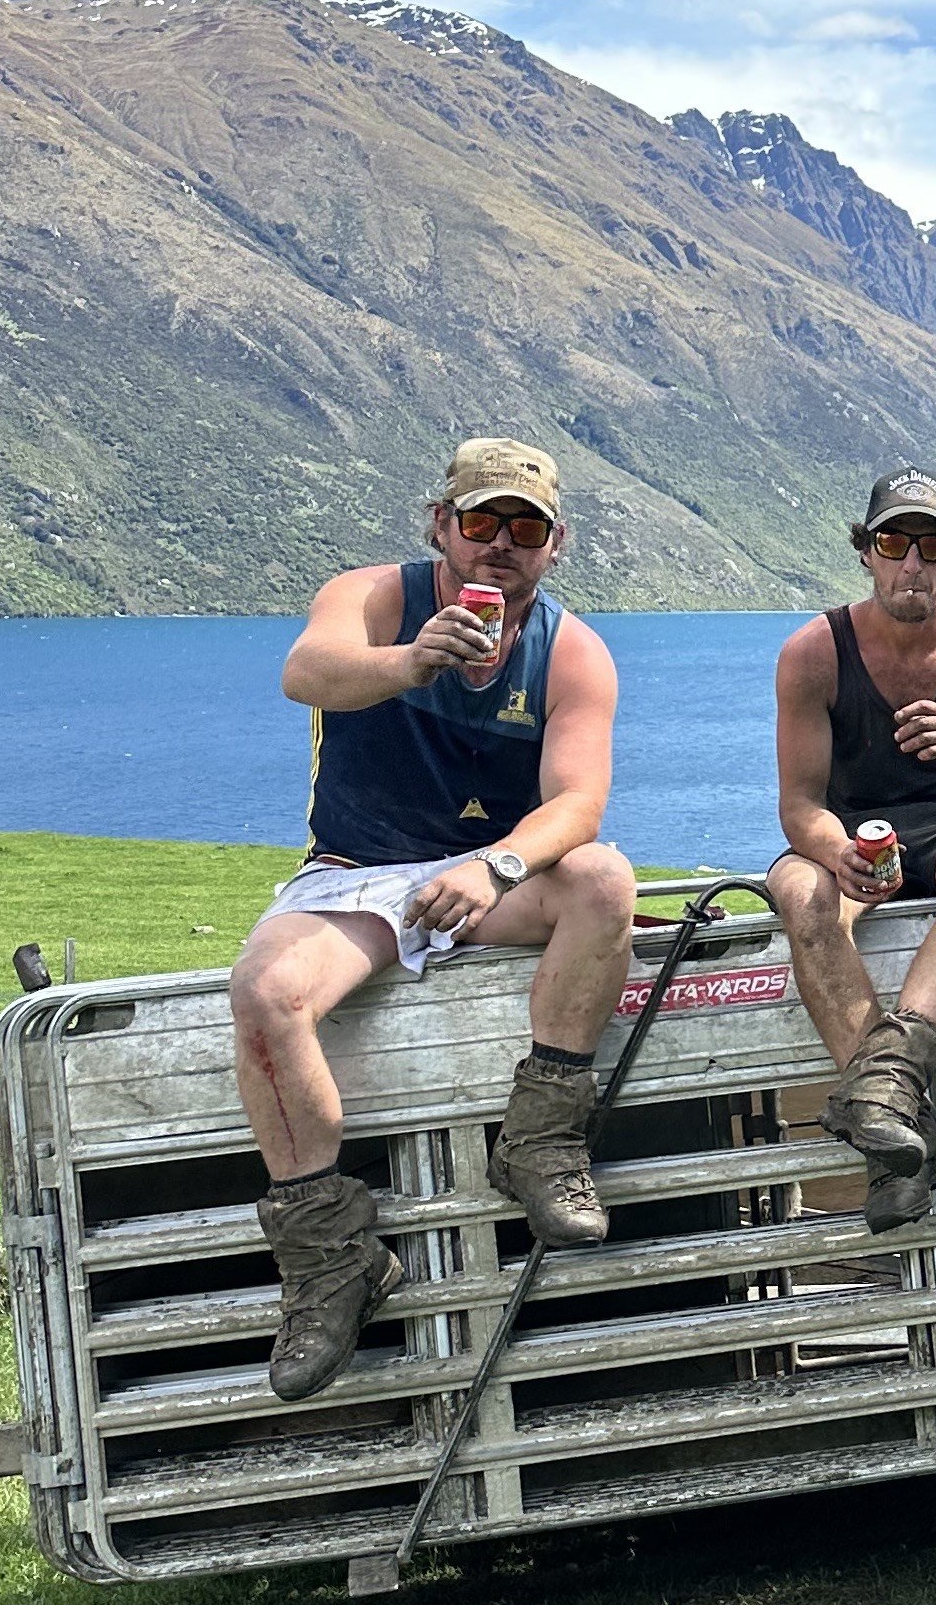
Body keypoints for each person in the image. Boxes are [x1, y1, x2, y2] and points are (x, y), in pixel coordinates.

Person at [229, 438, 638, 1402]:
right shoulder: (375, 596)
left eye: (524, 527)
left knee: (605, 880)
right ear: (440, 525)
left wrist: (494, 865)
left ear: (555, 543)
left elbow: (577, 802)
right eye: (480, 521)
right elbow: (307, 672)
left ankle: (540, 1142)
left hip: (480, 883)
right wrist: (410, 661)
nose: (500, 543)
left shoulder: (570, 648)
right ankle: (331, 1259)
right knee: (265, 991)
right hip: (357, 873)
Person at [768, 465, 936, 1232]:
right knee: (799, 891)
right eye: (895, 541)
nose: (912, 563)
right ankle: (901, 1128)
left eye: (933, 545)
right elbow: (798, 805)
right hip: (853, 827)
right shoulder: (814, 653)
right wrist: (837, 848)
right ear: (866, 551)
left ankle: (885, 1084)